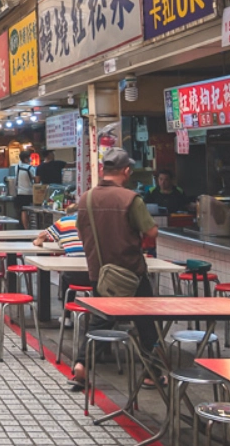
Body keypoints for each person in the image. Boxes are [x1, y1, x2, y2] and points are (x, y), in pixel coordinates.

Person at [70, 147, 160, 391]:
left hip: (99, 273)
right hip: (131, 272)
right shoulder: (130, 199)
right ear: (126, 171)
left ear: (103, 170)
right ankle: (152, 373)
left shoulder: (86, 198)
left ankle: (82, 364)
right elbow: (151, 231)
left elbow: (80, 232)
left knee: (101, 319)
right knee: (146, 322)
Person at [15, 151, 36, 228]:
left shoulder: (17, 167)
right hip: (29, 193)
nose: (30, 159)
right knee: (31, 211)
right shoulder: (30, 168)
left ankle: (25, 228)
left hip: (20, 192)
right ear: (26, 159)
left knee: (23, 211)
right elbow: (35, 179)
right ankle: (31, 227)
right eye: (29, 157)